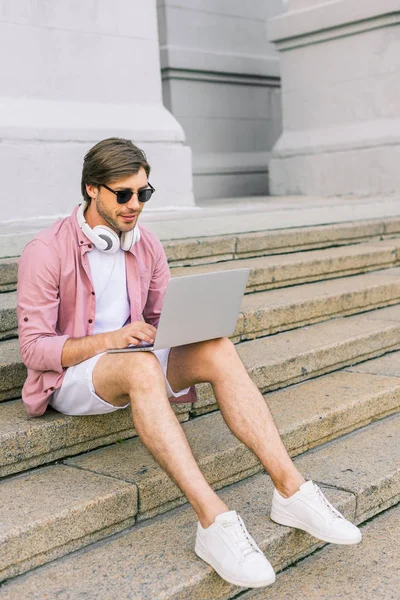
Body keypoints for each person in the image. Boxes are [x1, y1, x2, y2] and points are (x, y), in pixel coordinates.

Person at [17, 137, 361, 589]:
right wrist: (112, 339)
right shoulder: (45, 251)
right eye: (123, 194)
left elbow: (160, 318)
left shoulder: (146, 245)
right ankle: (213, 522)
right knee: (140, 367)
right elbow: (34, 349)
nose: (134, 205)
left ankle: (291, 491)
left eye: (144, 193)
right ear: (91, 190)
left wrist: (189, 326)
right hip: (72, 377)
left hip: (131, 356)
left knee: (217, 347)